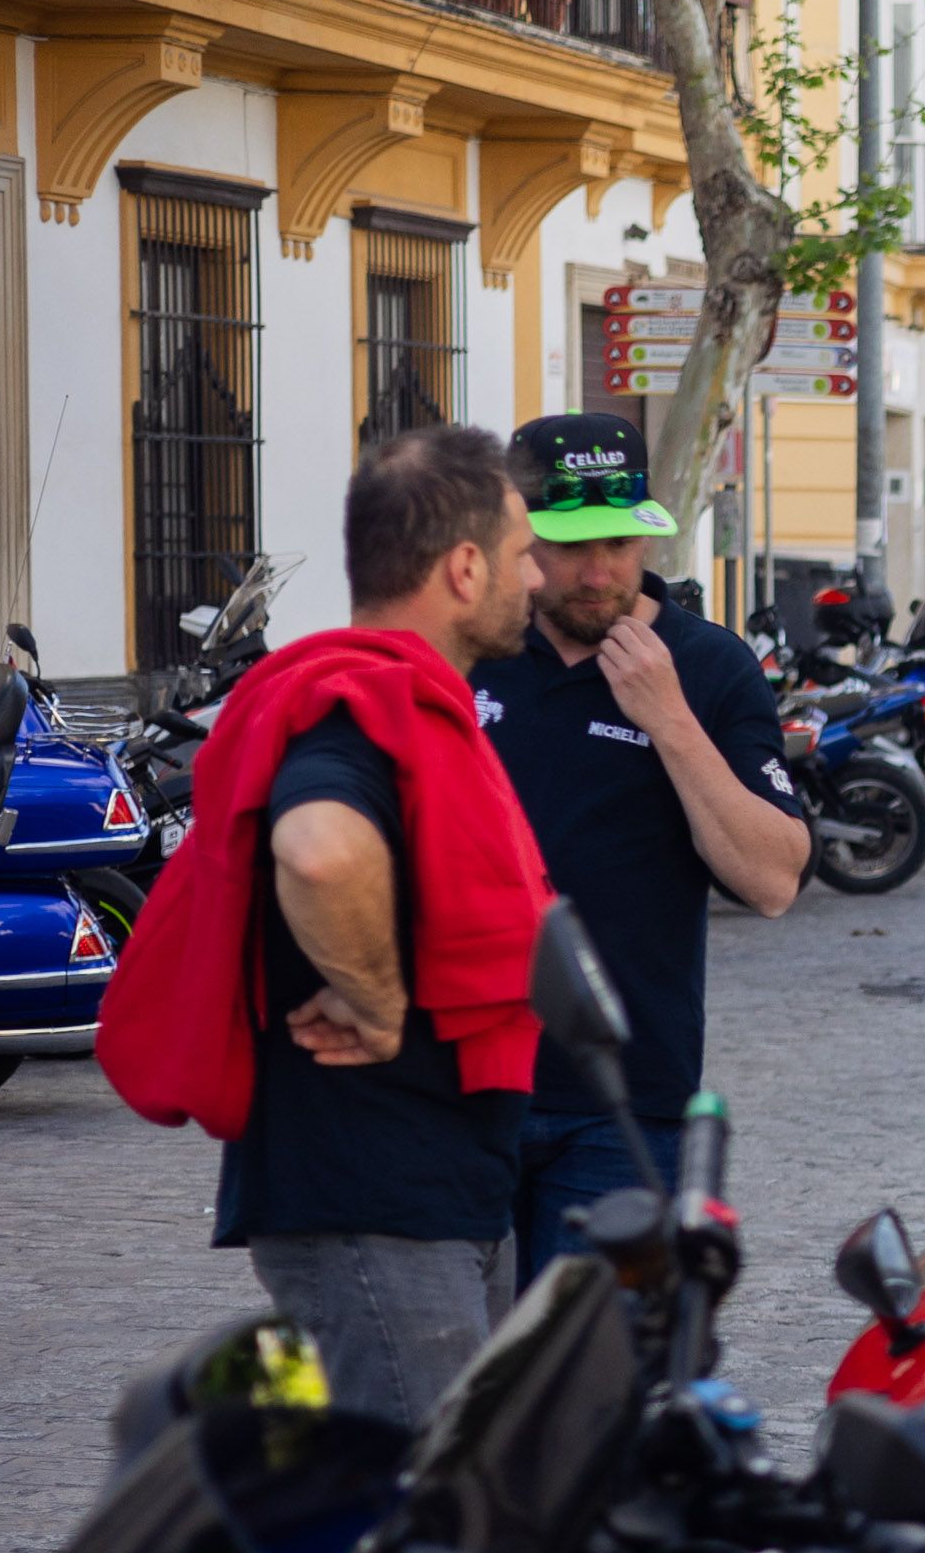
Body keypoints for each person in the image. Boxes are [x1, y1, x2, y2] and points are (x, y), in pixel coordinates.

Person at [100, 426, 554, 1422]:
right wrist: (378, 1002)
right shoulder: (358, 707)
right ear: (464, 567)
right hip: (371, 1198)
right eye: (524, 553)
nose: (538, 577)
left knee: (454, 1496)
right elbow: (318, 849)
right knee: (407, 1504)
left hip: (437, 1192)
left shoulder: (405, 703)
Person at [477, 415, 811, 1271]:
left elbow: (774, 879)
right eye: (571, 546)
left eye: (620, 543)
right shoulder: (469, 649)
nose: (600, 572)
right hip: (465, 1086)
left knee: (590, 1351)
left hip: (624, 1104)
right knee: (452, 1351)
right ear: (519, 535)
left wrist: (669, 719)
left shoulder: (709, 666)